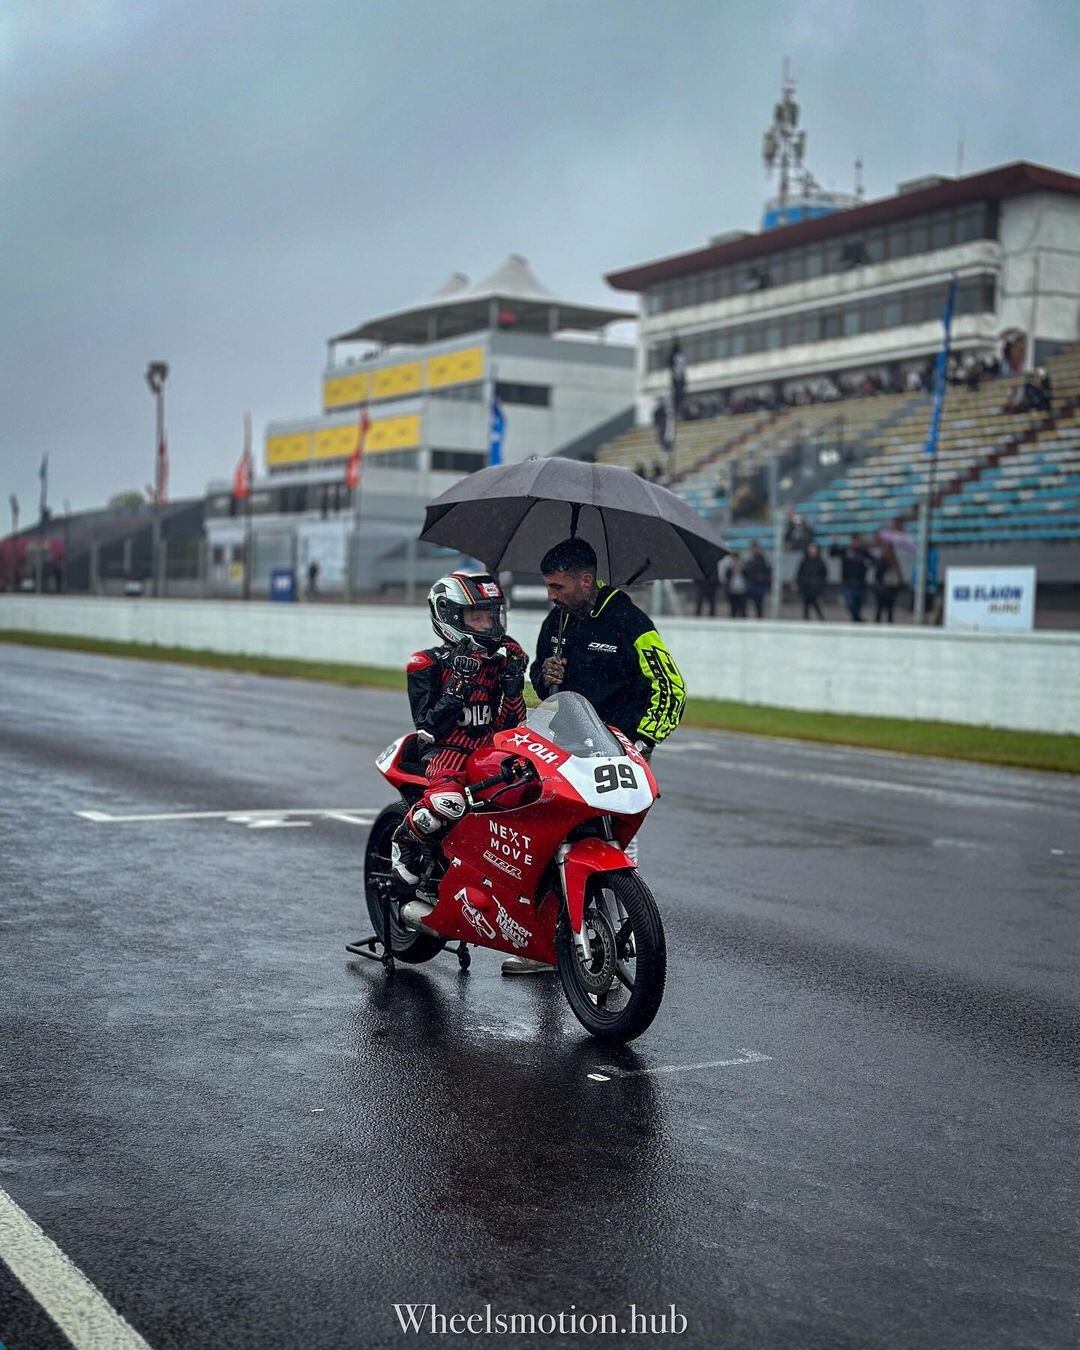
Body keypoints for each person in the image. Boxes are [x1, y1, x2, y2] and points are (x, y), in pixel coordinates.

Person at [508, 538, 686, 976]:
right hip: (563, 751)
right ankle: (554, 942)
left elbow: (671, 688)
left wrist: (643, 744)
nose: (551, 595)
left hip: (618, 752)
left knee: (615, 847)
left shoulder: (629, 620)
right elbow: (543, 685)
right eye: (548, 587)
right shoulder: (557, 621)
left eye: (558, 586)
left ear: (586, 580)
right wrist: (543, 675)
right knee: (554, 842)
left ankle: (617, 938)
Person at [390, 573, 527, 900]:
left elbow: (513, 727)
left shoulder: (500, 661)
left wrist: (512, 687)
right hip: (444, 753)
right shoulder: (425, 662)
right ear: (449, 616)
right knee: (448, 803)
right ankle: (405, 840)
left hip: (490, 751)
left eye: (491, 616)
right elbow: (427, 725)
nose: (487, 625)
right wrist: (459, 686)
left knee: (532, 789)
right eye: (476, 617)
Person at [830, 535, 873, 622]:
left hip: (860, 582)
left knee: (858, 603)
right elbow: (833, 553)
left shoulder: (863, 552)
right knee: (849, 602)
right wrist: (835, 542)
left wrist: (866, 566)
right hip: (847, 581)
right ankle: (857, 618)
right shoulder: (845, 551)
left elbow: (872, 561)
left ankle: (856, 619)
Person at [796, 543, 827, 621]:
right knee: (807, 603)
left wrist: (820, 584)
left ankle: (820, 618)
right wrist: (798, 583)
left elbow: (824, 574)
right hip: (806, 586)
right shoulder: (804, 562)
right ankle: (807, 618)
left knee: (814, 601)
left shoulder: (820, 562)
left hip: (815, 586)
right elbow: (800, 573)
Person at [873, 545, 903, 623]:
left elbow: (898, 574)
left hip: (891, 587)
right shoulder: (881, 561)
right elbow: (878, 574)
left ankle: (889, 621)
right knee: (880, 606)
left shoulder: (894, 562)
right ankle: (878, 621)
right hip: (883, 586)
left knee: (890, 607)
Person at [743, 542, 772, 618]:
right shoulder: (749, 560)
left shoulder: (763, 560)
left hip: (759, 585)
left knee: (759, 605)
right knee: (745, 604)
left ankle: (759, 618)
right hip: (750, 585)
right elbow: (746, 572)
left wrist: (764, 580)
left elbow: (768, 572)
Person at [721, 552, 748, 618]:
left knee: (743, 609)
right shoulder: (729, 568)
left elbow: (748, 576)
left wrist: (742, 569)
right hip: (732, 590)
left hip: (742, 590)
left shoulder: (744, 567)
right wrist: (731, 569)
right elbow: (726, 577)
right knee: (733, 608)